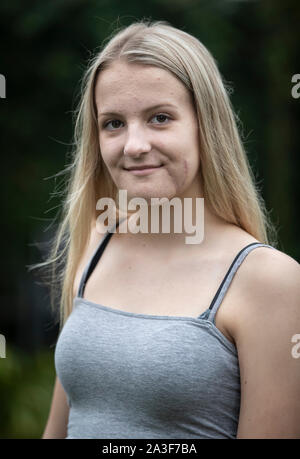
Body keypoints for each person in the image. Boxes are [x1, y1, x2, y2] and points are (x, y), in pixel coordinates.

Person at [41, 20, 300, 439]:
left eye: (159, 118)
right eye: (113, 123)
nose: (134, 145)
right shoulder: (96, 240)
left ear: (206, 126)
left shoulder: (269, 280)